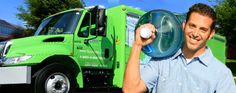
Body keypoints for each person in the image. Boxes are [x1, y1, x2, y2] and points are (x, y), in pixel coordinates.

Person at [122, 3, 236, 93]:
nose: (195, 33)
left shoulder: (222, 74)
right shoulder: (162, 60)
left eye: (203, 29)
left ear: (211, 34)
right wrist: (137, 45)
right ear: (183, 25)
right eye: (192, 26)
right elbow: (131, 90)